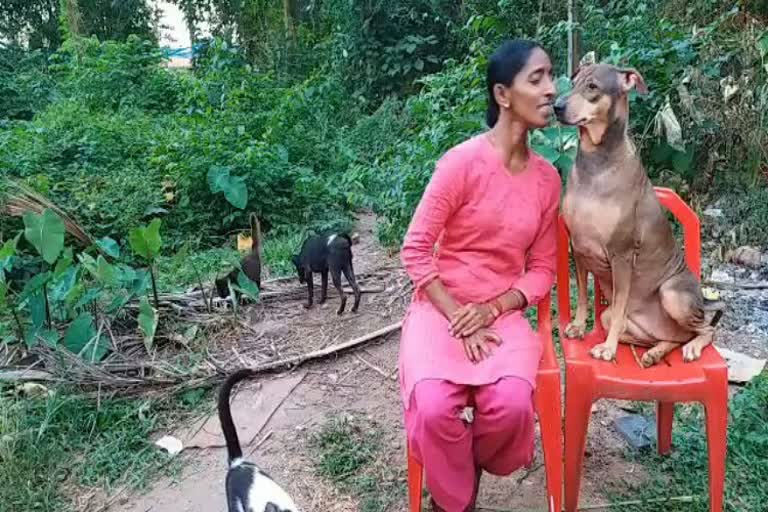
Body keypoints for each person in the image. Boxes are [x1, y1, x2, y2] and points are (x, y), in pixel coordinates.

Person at [398, 39, 560, 512]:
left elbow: (544, 269)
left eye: (551, 76)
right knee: (430, 407)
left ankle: (459, 468)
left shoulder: (548, 179)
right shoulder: (460, 163)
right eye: (538, 78)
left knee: (511, 407)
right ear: (503, 95)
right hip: (440, 309)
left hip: (501, 314)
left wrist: (492, 309)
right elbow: (415, 249)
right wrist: (457, 317)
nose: (551, 89)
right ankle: (456, 502)